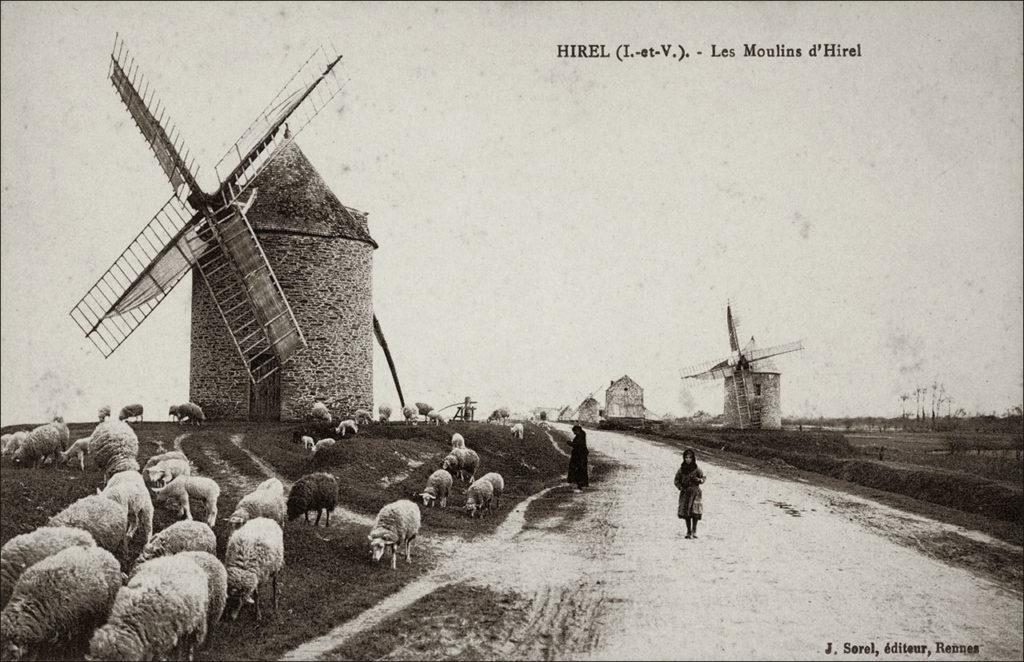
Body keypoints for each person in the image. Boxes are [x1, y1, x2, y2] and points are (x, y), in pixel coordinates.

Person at [674, 448, 705, 538]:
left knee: (695, 512)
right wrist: (680, 487)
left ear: (693, 458)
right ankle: (688, 531)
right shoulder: (681, 469)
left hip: (695, 492)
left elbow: (703, 478)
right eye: (686, 457)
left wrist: (698, 480)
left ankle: (694, 530)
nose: (688, 459)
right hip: (686, 492)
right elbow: (676, 480)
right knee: (687, 512)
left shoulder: (697, 469)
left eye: (689, 458)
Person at [567, 424, 589, 491]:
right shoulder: (582, 435)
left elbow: (577, 445)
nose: (574, 433)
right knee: (581, 469)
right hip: (581, 455)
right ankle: (581, 483)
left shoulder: (579, 436)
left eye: (574, 431)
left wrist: (570, 443)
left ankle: (579, 483)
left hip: (579, 456)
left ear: (577, 431)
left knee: (578, 468)